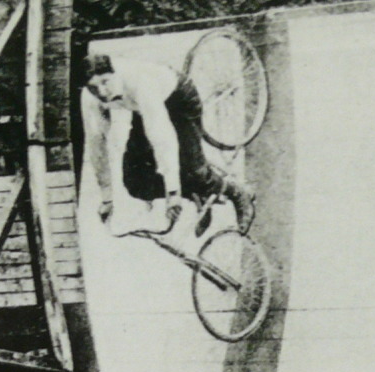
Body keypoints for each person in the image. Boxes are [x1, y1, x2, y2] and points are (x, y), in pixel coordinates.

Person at [81, 49, 255, 237]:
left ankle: (236, 191)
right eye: (93, 87)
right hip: (142, 110)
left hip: (178, 100)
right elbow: (97, 146)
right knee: (135, 183)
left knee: (196, 172)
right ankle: (197, 193)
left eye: (105, 82)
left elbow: (162, 137)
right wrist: (107, 199)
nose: (102, 92)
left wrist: (172, 193)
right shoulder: (91, 99)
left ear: (115, 72)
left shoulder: (139, 81)